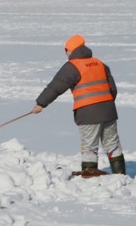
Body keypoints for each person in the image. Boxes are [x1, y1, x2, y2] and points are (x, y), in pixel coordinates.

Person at [32, 35, 124, 176]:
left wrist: (41, 104)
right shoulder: (100, 63)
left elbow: (55, 86)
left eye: (66, 50)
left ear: (71, 50)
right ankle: (120, 175)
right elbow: (113, 89)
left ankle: (90, 173)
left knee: (89, 146)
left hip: (88, 112)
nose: (66, 53)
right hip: (109, 110)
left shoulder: (72, 66)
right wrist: (105, 105)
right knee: (112, 143)